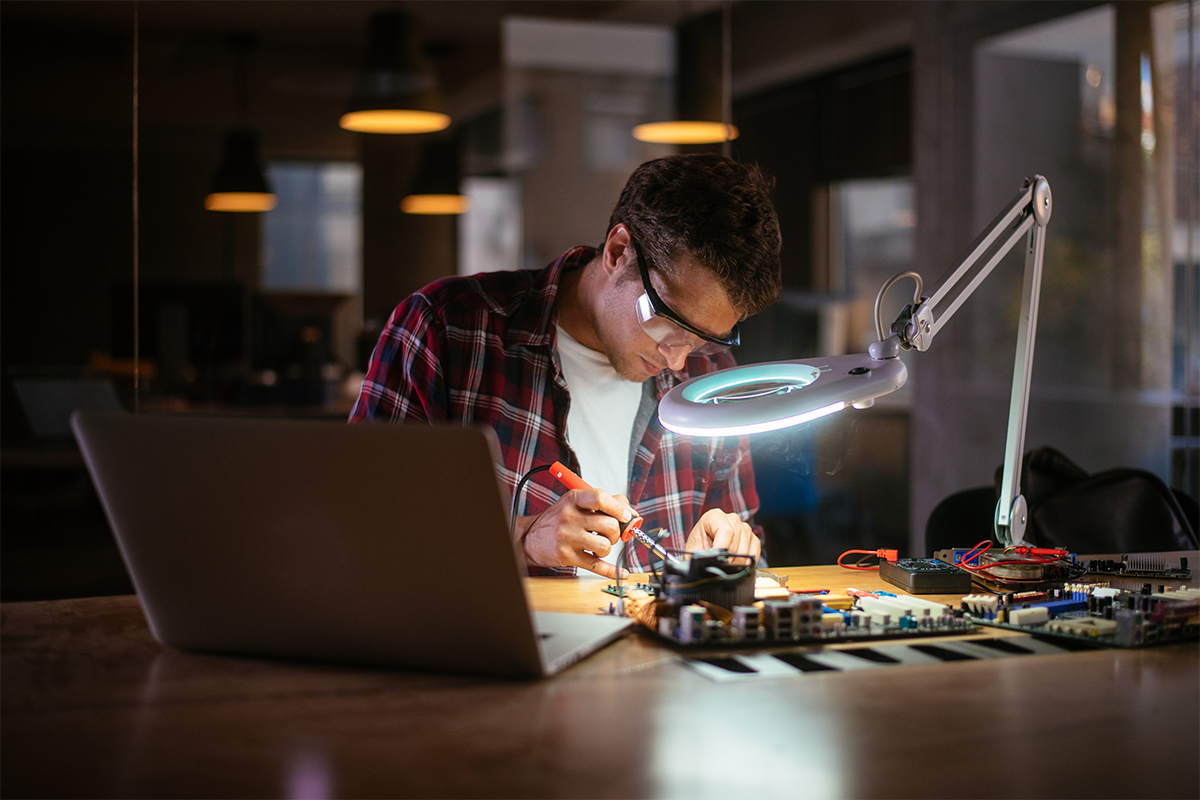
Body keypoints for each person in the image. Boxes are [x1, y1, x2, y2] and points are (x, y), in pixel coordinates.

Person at [350, 154, 782, 579]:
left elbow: (748, 564)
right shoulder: (447, 329)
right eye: (667, 325)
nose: (678, 359)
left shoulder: (710, 374)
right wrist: (521, 538)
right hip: (501, 647)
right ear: (618, 252)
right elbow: (358, 526)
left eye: (702, 338)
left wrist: (728, 563)